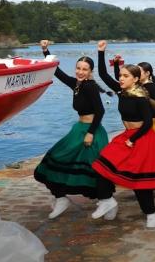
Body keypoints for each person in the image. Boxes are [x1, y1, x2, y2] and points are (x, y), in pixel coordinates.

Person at [92, 41, 155, 228]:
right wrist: (101, 52)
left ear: (135, 79)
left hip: (142, 138)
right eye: (121, 75)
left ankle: (151, 214)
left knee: (139, 181)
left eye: (125, 76)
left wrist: (132, 139)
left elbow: (148, 123)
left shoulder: (141, 97)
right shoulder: (122, 92)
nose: (121, 78)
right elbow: (103, 75)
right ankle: (107, 201)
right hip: (127, 136)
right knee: (101, 165)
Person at [34, 40, 110, 219]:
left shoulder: (90, 86)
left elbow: (100, 111)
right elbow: (57, 71)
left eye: (84, 69)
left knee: (95, 170)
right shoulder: (76, 84)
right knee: (54, 159)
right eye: (78, 68)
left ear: (90, 71)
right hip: (79, 129)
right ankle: (61, 198)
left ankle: (108, 201)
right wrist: (45, 51)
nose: (80, 72)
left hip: (92, 132)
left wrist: (91, 133)